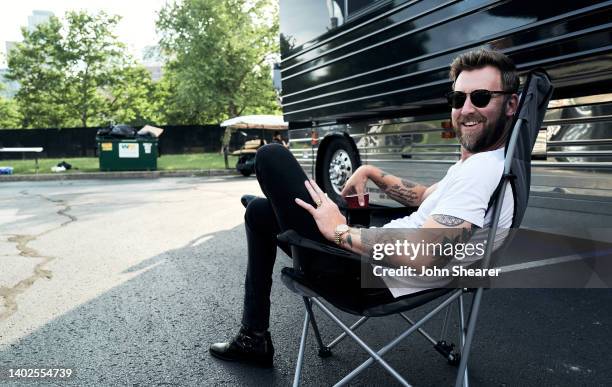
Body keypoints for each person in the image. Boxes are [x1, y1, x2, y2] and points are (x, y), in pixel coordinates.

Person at [209, 49, 519, 367]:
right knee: (260, 213)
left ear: (511, 104)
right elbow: (424, 197)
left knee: (271, 157)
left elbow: (428, 254)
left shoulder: (481, 172)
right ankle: (254, 334)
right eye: (458, 99)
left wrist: (341, 231)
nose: (466, 109)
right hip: (376, 263)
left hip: (368, 277)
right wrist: (371, 173)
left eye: (481, 98)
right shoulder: (485, 165)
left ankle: (253, 338)